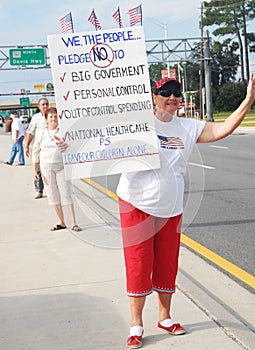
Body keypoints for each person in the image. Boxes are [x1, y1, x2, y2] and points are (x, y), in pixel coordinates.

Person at [56, 75, 255, 349]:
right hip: (137, 203)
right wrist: (70, 146)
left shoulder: (187, 127)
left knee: (167, 264)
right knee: (138, 264)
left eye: (176, 92)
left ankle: (165, 317)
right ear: (154, 96)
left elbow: (222, 129)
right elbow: (96, 144)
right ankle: (136, 323)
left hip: (171, 207)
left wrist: (247, 101)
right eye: (165, 92)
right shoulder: (137, 124)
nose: (172, 97)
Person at [32, 107, 82, 232]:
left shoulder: (63, 131)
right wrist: (34, 170)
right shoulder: (41, 133)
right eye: (51, 117)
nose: (53, 119)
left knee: (66, 193)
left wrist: (67, 146)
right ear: (46, 119)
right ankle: (61, 222)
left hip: (61, 166)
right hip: (46, 167)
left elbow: (74, 146)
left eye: (55, 116)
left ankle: (74, 222)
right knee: (52, 194)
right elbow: (36, 151)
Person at [24, 98, 49, 199]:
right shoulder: (36, 118)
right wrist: (26, 146)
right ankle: (39, 190)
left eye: (47, 104)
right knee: (37, 170)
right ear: (39, 107)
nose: (45, 106)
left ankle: (55, 189)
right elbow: (30, 132)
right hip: (39, 148)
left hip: (51, 148)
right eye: (43, 104)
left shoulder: (53, 115)